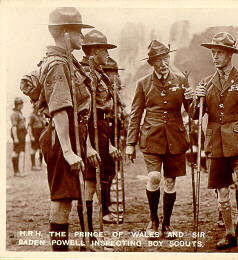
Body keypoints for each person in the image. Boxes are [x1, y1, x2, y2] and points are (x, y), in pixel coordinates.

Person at [36, 7, 100, 251]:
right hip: (60, 136)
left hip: (71, 134)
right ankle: (59, 254)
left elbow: (78, 112)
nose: (82, 37)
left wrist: (83, 145)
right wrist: (67, 151)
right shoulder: (56, 64)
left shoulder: (67, 61)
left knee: (67, 199)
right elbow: (60, 110)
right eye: (77, 31)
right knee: (62, 200)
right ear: (64, 34)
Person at [193, 32, 238, 252]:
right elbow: (195, 115)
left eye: (219, 53)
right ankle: (230, 233)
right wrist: (197, 98)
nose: (215, 57)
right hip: (216, 144)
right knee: (222, 193)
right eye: (213, 53)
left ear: (230, 54)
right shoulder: (206, 83)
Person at [126, 40, 194, 239]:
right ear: (152, 63)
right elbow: (136, 114)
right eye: (159, 60)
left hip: (175, 137)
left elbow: (192, 113)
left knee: (170, 182)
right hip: (151, 137)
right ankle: (153, 220)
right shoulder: (143, 83)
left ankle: (166, 224)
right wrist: (130, 144)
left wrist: (192, 99)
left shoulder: (181, 80)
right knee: (154, 177)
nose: (164, 63)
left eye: (166, 59)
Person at [80, 29, 123, 227]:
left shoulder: (98, 72)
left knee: (100, 176)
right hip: (92, 126)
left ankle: (92, 230)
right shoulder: (88, 74)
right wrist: (89, 144)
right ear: (94, 51)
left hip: (102, 126)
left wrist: (110, 144)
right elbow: (86, 109)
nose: (107, 54)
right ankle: (87, 233)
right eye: (104, 50)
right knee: (90, 181)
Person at [102, 57, 126, 216]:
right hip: (105, 130)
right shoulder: (103, 91)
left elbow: (120, 111)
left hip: (115, 131)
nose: (116, 77)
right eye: (112, 73)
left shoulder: (115, 93)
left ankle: (108, 202)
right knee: (105, 169)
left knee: (112, 169)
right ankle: (104, 207)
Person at [10, 97, 27, 177]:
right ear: (17, 105)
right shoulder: (15, 114)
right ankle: (16, 171)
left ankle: (19, 171)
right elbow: (14, 127)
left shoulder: (20, 113)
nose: (22, 106)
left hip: (22, 133)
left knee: (20, 151)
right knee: (16, 152)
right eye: (20, 104)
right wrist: (16, 138)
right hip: (18, 133)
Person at [27, 105, 46, 171]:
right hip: (35, 134)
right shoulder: (32, 116)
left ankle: (40, 164)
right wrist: (31, 136)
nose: (37, 110)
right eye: (36, 108)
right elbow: (29, 127)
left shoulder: (40, 116)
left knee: (41, 149)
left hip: (40, 133)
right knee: (33, 149)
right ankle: (33, 165)